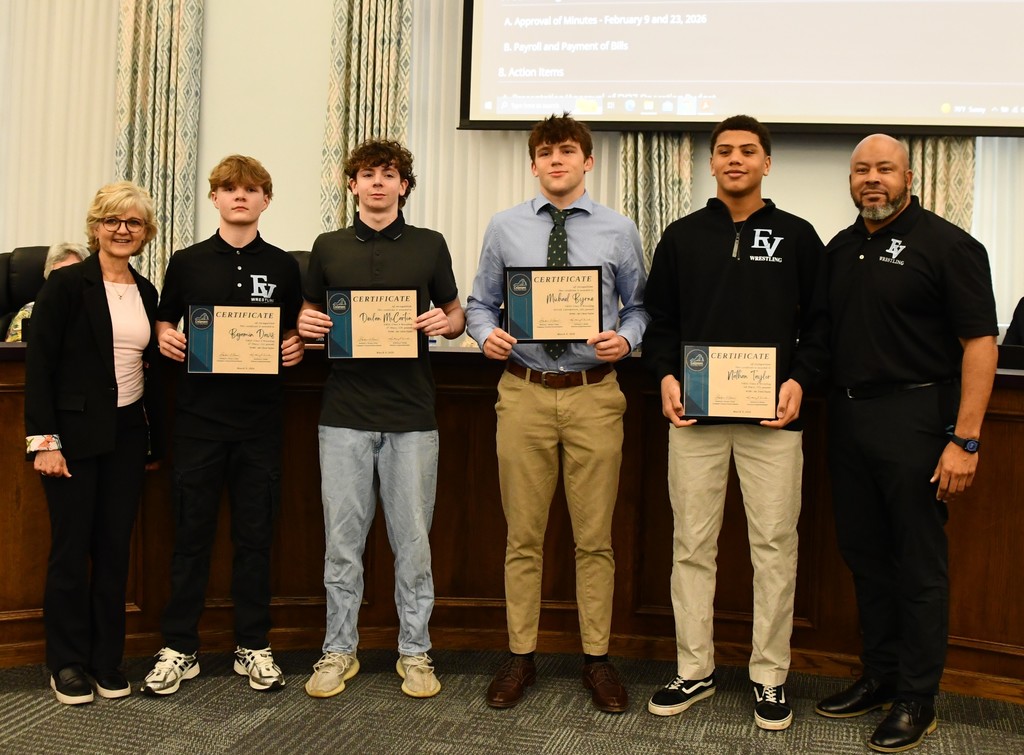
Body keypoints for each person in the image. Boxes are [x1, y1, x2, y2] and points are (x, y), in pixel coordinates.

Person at [811, 135, 998, 753]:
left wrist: (964, 441)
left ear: (908, 177)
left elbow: (980, 344)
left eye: (884, 169)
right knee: (865, 557)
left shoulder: (948, 245)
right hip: (849, 419)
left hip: (918, 419)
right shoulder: (839, 249)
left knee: (919, 565)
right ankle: (881, 675)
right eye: (861, 169)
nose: (872, 179)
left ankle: (918, 697)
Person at [641, 115, 823, 730]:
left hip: (773, 421)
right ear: (711, 164)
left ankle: (770, 675)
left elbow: (821, 326)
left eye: (748, 151)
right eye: (724, 152)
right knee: (692, 544)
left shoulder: (798, 236)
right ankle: (694, 669)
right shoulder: (683, 236)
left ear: (767, 163)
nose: (736, 160)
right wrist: (666, 375)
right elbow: (659, 319)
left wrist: (800, 381)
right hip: (694, 419)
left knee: (775, 546)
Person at [466, 113, 648, 713]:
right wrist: (485, 333)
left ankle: (597, 658)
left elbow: (640, 307)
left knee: (594, 538)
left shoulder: (619, 229)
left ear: (588, 161)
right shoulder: (505, 226)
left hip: (595, 394)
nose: (557, 161)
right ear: (534, 163)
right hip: (523, 391)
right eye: (546, 153)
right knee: (524, 536)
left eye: (568, 151)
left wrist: (627, 338)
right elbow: (479, 303)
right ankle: (521, 655)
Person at [297, 139, 464, 700]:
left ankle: (415, 653)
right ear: (352, 185)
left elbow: (456, 311)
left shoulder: (429, 244)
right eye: (366, 175)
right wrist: (308, 324)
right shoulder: (326, 246)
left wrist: (446, 322)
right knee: (342, 541)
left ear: (403, 185)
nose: (376, 183)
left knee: (412, 541)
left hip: (412, 416)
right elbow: (308, 312)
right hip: (343, 415)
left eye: (387, 174)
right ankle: (338, 649)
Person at [141, 155, 304, 696]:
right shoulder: (186, 261)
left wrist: (296, 345)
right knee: (190, 538)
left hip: (259, 422)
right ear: (213, 197)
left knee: (255, 538)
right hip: (198, 422)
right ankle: (179, 647)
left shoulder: (284, 266)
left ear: (265, 200)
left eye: (252, 189)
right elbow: (164, 318)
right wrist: (164, 333)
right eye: (229, 188)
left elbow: (294, 332)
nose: (240, 196)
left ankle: (252, 644)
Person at [25, 182, 164, 704]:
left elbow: (147, 369)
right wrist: (44, 442)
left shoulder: (146, 291)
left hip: (127, 436)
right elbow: (39, 368)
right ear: (96, 227)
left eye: (133, 223)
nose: (123, 230)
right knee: (70, 551)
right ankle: (65, 663)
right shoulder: (66, 286)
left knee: (113, 551)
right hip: (72, 438)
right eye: (113, 220)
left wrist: (152, 442)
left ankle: (107, 660)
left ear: (146, 232)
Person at [5, 242, 89, 342]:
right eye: (59, 276)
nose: (66, 281)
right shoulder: (29, 313)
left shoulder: (98, 311)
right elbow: (15, 354)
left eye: (73, 274)